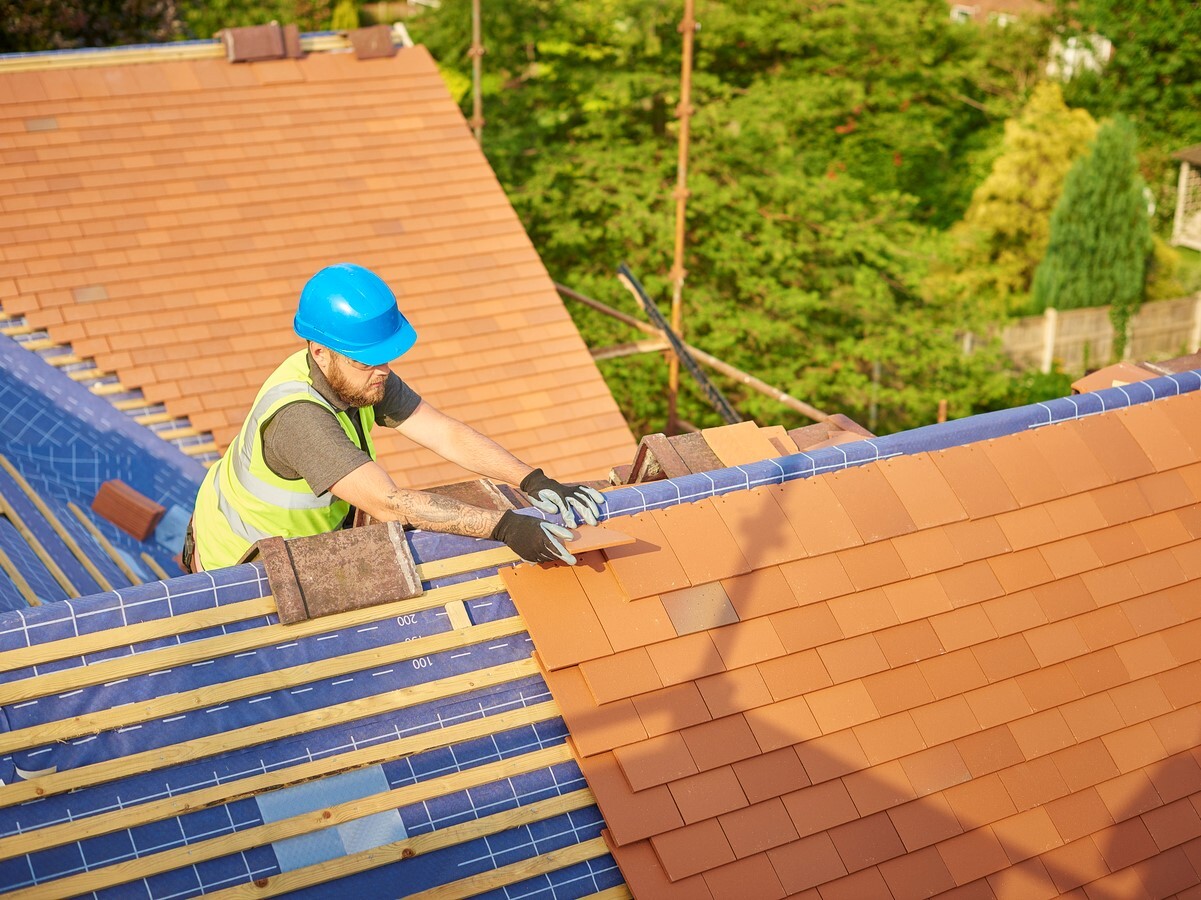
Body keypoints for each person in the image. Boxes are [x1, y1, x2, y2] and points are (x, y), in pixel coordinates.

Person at [186, 262, 604, 572]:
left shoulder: (359, 375)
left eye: (385, 358)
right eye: (368, 361)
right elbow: (388, 503)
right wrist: (506, 527)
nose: (383, 371)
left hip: (297, 533)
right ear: (320, 352)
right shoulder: (299, 419)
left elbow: (444, 434)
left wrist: (533, 480)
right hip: (240, 559)